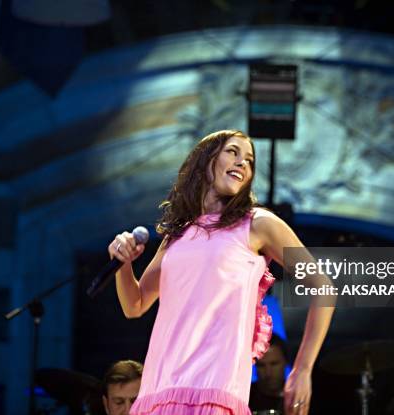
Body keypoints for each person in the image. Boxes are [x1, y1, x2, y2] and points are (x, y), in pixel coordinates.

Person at [108, 130, 334, 415]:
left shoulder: (257, 224)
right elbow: (134, 305)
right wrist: (123, 263)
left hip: (216, 390)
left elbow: (323, 286)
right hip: (160, 391)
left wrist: (302, 369)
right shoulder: (177, 235)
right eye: (233, 152)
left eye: (249, 160)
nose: (242, 162)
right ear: (204, 160)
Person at [249, 335, 289, 413]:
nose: (268, 373)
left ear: (286, 361)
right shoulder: (245, 398)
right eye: (261, 365)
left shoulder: (299, 396)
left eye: (274, 364)